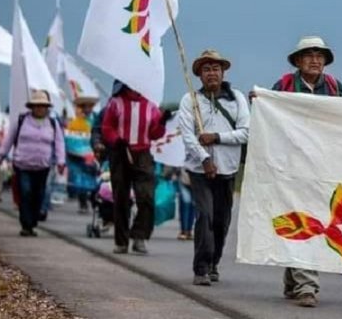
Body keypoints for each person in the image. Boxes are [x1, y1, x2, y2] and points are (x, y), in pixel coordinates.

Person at [271, 36, 342, 308]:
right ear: (298, 61)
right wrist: (261, 100)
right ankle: (307, 286)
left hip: (323, 167)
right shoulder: (284, 86)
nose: (315, 60)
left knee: (309, 220)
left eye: (319, 55)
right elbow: (269, 117)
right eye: (309, 55)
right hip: (292, 166)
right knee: (306, 219)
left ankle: (294, 279)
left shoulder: (336, 87)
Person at [178, 49, 249, 286]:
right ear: (199, 75)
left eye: (216, 69)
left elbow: (245, 132)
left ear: (223, 72)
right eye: (206, 69)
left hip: (227, 169)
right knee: (205, 216)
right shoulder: (190, 100)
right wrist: (204, 158)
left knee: (221, 221)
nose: (212, 73)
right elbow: (188, 135)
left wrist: (217, 137)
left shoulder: (237, 98)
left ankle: (214, 263)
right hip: (199, 171)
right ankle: (201, 268)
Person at [102, 82, 167, 255]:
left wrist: (162, 123)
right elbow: (107, 127)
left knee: (146, 196)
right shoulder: (116, 102)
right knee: (121, 198)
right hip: (121, 152)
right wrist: (116, 140)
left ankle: (139, 236)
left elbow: (155, 134)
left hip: (143, 154)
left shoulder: (151, 104)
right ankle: (121, 242)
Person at [0, 90, 66, 237]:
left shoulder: (53, 123)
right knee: (25, 193)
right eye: (37, 105)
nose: (40, 108)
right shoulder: (21, 121)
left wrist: (61, 161)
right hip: (22, 165)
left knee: (39, 195)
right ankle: (26, 225)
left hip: (43, 166)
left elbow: (59, 143)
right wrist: (0, 157)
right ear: (31, 107)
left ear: (47, 108)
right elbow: (9, 140)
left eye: (43, 106)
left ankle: (32, 222)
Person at [65, 97, 100, 213]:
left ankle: (95, 202)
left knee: (97, 178)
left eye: (89, 106)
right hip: (80, 156)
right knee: (81, 179)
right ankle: (83, 203)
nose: (87, 109)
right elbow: (72, 140)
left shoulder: (97, 119)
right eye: (84, 106)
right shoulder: (75, 123)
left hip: (96, 153)